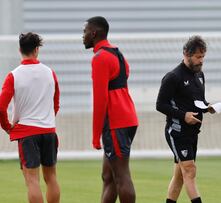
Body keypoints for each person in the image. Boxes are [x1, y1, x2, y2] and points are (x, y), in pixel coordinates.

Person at [82, 16, 138, 203]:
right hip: (128, 118)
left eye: (85, 31)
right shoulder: (118, 53)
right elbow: (125, 76)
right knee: (108, 176)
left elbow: (101, 100)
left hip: (116, 123)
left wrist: (95, 135)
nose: (83, 36)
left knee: (121, 176)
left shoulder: (100, 58)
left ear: (94, 33)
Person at [0, 32, 60, 203]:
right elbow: (55, 103)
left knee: (32, 180)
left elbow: (1, 107)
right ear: (37, 50)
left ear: (20, 50)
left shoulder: (13, 76)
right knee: (52, 178)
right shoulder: (50, 73)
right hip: (49, 131)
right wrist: (47, 119)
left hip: (27, 133)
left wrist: (7, 127)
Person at [156, 35, 215, 203]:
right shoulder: (173, 77)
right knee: (189, 171)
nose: (201, 60)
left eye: (202, 57)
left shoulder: (200, 75)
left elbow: (198, 101)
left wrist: (208, 106)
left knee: (180, 176)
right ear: (186, 54)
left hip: (192, 132)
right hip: (177, 131)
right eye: (197, 57)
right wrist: (184, 115)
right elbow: (160, 105)